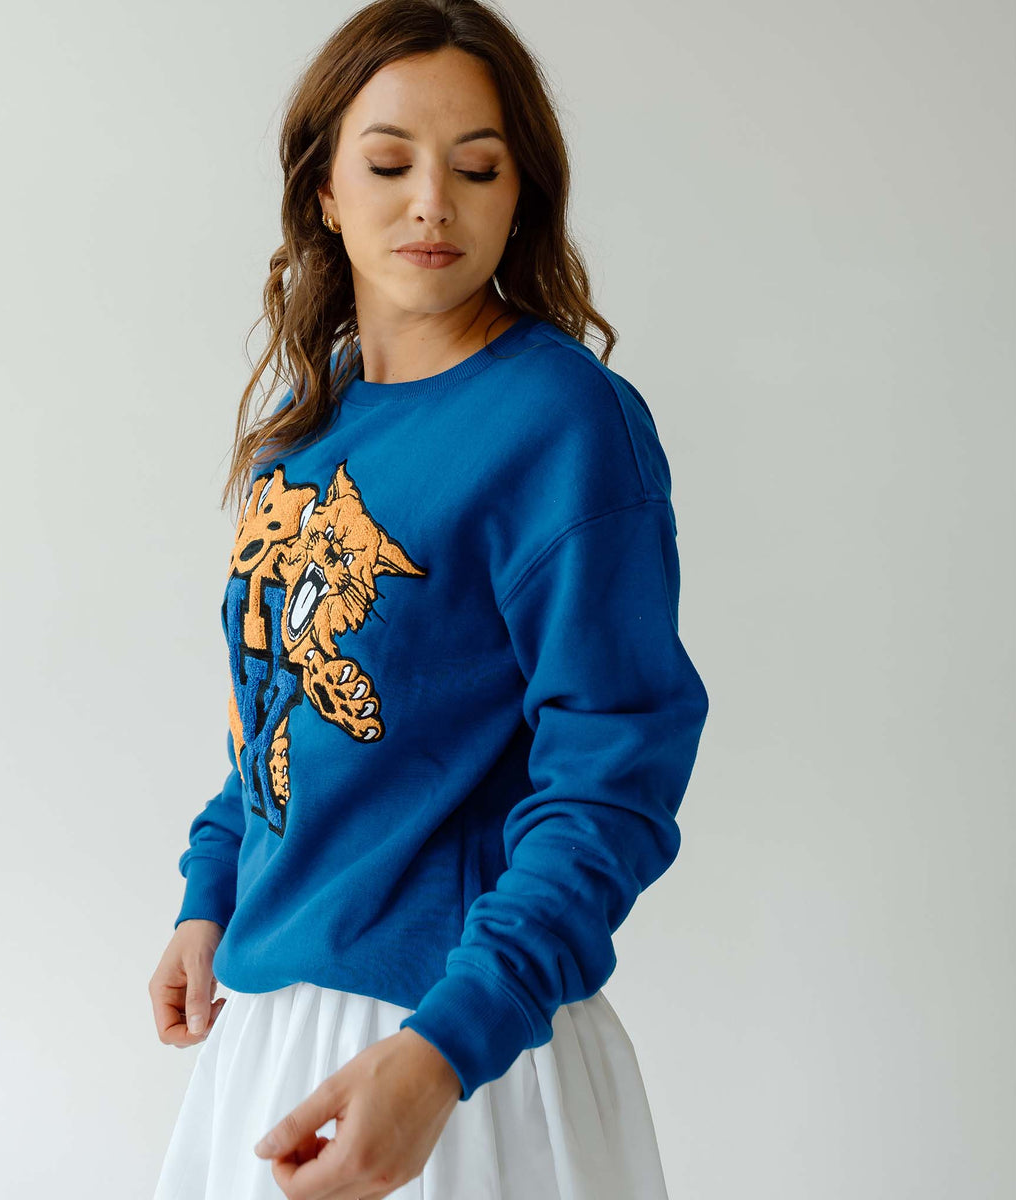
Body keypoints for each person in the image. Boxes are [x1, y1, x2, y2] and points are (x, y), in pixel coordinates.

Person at [148, 2, 710, 1197]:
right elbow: (284, 716)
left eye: (478, 166)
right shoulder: (309, 432)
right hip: (268, 1035)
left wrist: (448, 1051)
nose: (433, 205)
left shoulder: (561, 426)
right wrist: (213, 891)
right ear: (324, 193)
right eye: (390, 161)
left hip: (457, 1056)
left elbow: (614, 777)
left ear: (524, 192)